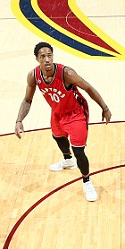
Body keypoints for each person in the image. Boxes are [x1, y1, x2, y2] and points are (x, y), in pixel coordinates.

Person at [14, 41, 112, 202]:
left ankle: (87, 180)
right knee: (57, 136)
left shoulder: (66, 73)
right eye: (43, 56)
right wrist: (19, 120)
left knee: (79, 151)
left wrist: (105, 107)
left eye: (49, 55)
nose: (47, 59)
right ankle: (68, 160)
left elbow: (88, 88)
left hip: (75, 113)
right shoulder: (33, 76)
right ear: (37, 59)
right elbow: (27, 100)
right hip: (57, 112)